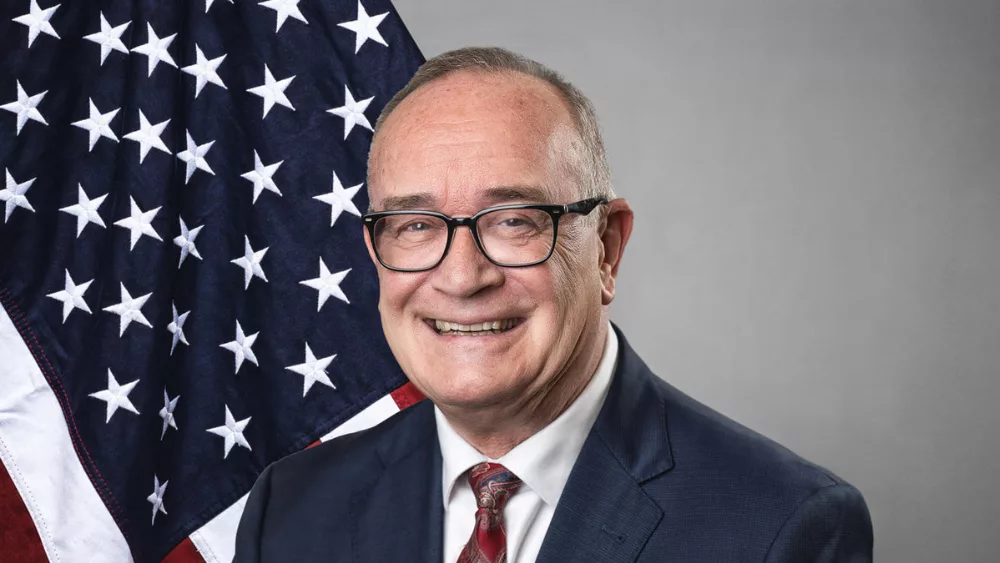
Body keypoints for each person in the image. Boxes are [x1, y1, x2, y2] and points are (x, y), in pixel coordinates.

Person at [234, 46, 873, 563]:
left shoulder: (780, 527)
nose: (461, 277)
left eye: (514, 220)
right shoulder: (289, 510)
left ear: (606, 250)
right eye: (416, 226)